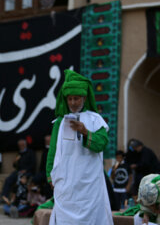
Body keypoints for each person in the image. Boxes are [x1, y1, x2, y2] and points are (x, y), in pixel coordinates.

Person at [46, 70, 113, 224]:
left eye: (76, 98)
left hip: (89, 186)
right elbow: (53, 152)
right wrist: (50, 176)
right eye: (70, 99)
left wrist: (84, 131)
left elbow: (102, 143)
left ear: (83, 98)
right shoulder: (59, 122)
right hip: (66, 185)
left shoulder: (96, 120)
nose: (73, 102)